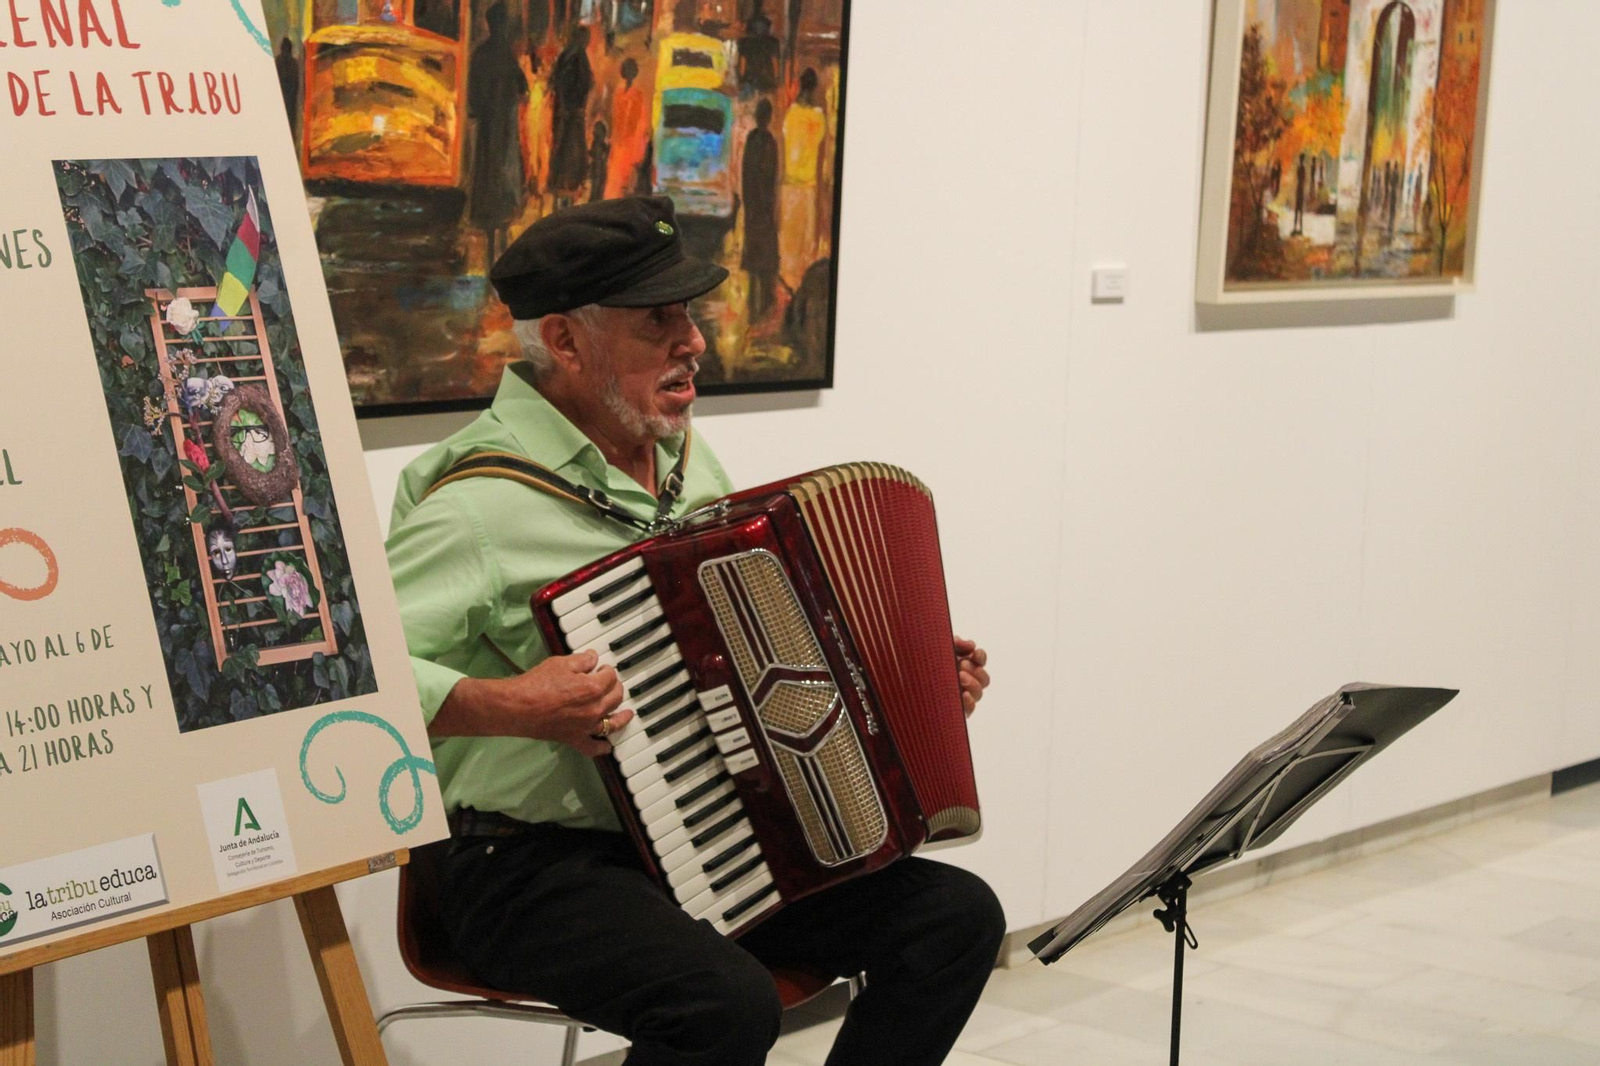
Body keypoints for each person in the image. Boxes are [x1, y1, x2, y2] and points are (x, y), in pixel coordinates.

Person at [386, 196, 1003, 1066]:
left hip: (701, 833)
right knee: (723, 1006)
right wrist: (510, 704)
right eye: (657, 320)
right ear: (563, 341)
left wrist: (896, 684)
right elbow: (346, 682)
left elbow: (745, 643)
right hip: (524, 865)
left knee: (952, 919)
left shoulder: (683, 461)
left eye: (688, 313)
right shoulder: (475, 507)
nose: (693, 342)